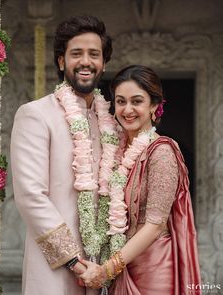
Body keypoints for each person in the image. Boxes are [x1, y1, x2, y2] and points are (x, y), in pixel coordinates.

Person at [10, 15, 115, 295]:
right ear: (61, 61)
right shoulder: (36, 114)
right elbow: (31, 196)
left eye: (94, 54)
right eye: (76, 53)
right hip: (55, 269)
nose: (85, 61)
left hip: (105, 270)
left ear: (103, 63)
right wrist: (77, 264)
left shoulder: (111, 123)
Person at [79, 65, 202, 294]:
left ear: (154, 105)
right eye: (121, 101)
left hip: (153, 268)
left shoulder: (161, 152)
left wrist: (106, 271)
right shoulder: (117, 152)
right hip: (123, 265)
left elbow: (155, 226)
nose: (127, 110)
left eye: (137, 101)